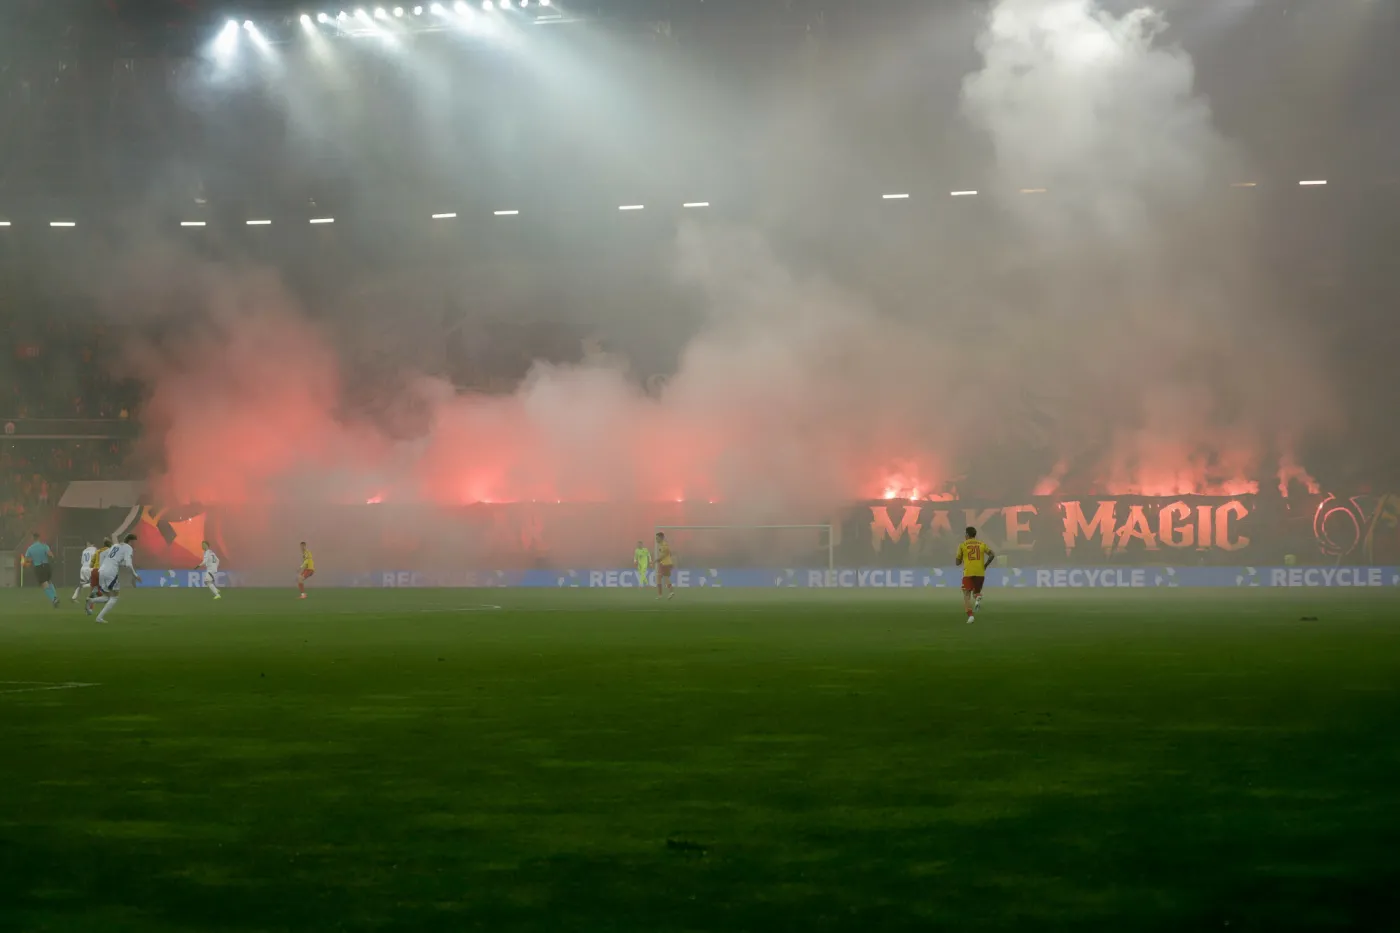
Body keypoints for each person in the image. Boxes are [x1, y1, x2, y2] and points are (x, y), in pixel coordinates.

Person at [87, 533, 138, 624]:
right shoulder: (128, 548)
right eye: (134, 543)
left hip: (102, 571)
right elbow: (128, 564)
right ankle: (99, 618)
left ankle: (91, 600)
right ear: (130, 541)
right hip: (111, 573)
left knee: (107, 597)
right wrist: (135, 575)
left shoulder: (116, 546)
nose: (135, 545)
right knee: (115, 597)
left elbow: (117, 561)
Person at [954, 526, 995, 624]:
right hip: (980, 572)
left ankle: (970, 616)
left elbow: (957, 562)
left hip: (968, 572)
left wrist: (961, 558)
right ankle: (978, 597)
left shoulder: (962, 545)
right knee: (976, 592)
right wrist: (985, 565)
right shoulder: (981, 544)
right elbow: (992, 554)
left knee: (966, 595)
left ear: (967, 535)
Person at [22, 531, 59, 608]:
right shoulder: (44, 546)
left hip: (38, 567)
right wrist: (53, 559)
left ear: (33, 538)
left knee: (44, 585)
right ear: (39, 538)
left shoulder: (30, 548)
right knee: (49, 581)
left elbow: (26, 560)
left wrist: (31, 560)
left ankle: (53, 599)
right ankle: (55, 596)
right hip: (46, 566)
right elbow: (50, 554)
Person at [655, 531, 675, 600]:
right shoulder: (661, 545)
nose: (656, 539)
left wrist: (657, 559)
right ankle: (661, 595)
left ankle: (670, 592)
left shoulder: (664, 545)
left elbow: (665, 554)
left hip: (665, 564)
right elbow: (670, 553)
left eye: (657, 538)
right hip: (663, 563)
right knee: (659, 578)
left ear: (661, 538)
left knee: (665, 578)